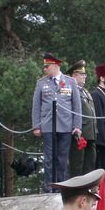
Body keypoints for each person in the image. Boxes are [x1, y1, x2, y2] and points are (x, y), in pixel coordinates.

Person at [31, 53, 82, 192]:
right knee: (49, 158)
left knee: (62, 158)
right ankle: (49, 185)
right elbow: (36, 106)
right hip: (48, 125)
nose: (45, 69)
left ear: (54, 66)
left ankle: (62, 185)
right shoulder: (41, 83)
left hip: (65, 125)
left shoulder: (70, 82)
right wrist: (36, 125)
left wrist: (77, 126)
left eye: (47, 67)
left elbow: (76, 105)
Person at [68, 60, 98, 177]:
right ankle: (77, 190)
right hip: (80, 132)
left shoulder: (85, 91)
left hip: (91, 132)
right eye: (82, 74)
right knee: (78, 163)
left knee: (90, 162)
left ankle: (88, 189)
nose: (84, 77)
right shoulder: (70, 90)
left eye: (85, 74)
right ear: (74, 75)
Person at [91, 63, 105, 178]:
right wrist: (102, 140)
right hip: (103, 137)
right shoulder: (96, 94)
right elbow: (98, 117)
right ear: (101, 78)